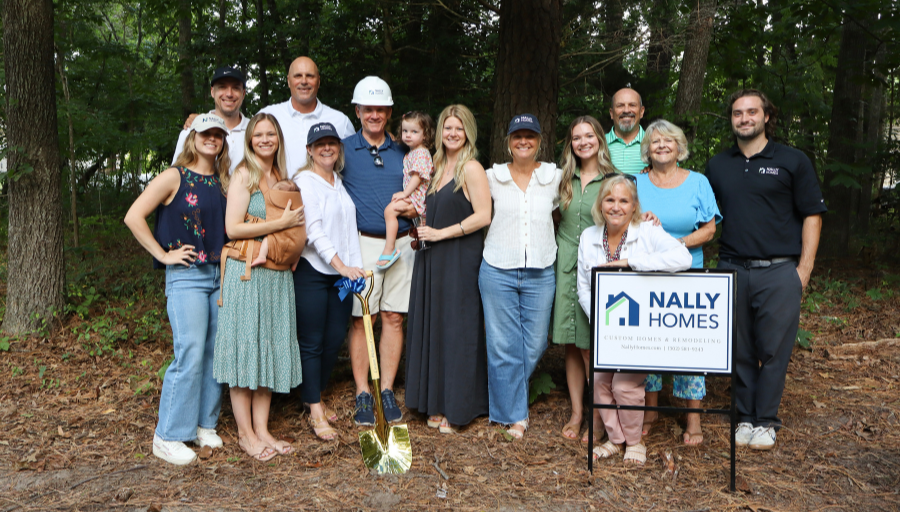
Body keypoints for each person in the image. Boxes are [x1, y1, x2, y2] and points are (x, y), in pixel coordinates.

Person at [706, 89, 825, 451]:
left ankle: (766, 420)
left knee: (774, 350)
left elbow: (812, 215)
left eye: (752, 112)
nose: (744, 118)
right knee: (739, 348)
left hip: (779, 271)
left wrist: (803, 271)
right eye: (737, 113)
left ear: (766, 116)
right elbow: (703, 214)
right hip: (732, 268)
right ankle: (744, 416)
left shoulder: (792, 160)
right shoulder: (718, 165)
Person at [124, 114, 231, 465]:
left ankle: (203, 424)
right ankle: (168, 435)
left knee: (214, 351)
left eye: (217, 134)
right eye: (205, 133)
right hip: (187, 276)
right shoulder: (175, 176)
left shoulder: (224, 180)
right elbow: (133, 216)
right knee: (190, 351)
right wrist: (163, 255)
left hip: (220, 274)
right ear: (192, 137)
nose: (211, 138)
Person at [576, 174, 692, 465]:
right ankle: (617, 440)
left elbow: (683, 259)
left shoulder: (648, 231)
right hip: (606, 328)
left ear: (634, 206)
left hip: (640, 330)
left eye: (623, 201)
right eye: (610, 199)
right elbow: (584, 288)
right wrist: (603, 324)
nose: (616, 207)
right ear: (600, 204)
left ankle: (635, 442)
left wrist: (631, 263)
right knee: (599, 381)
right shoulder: (589, 236)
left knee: (624, 385)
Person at [213, 113, 305, 461]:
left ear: (278, 139)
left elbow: (296, 227)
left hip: (276, 273)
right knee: (245, 349)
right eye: (258, 134)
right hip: (246, 273)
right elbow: (233, 228)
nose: (265, 139)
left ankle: (263, 429)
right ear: (250, 139)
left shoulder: (282, 176)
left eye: (271, 134)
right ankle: (245, 435)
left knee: (268, 347)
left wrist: (290, 244)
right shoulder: (244, 174)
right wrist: (278, 224)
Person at [404, 105, 492, 433]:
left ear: (468, 132)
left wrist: (441, 233)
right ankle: (435, 401)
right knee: (435, 326)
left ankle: (459, 407)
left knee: (458, 329)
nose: (453, 133)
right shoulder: (435, 166)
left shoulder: (471, 168)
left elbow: (483, 216)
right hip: (431, 257)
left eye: (459, 128)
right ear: (439, 132)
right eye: (447, 127)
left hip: (460, 257)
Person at [634, 119, 721, 445]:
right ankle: (651, 410)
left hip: (688, 275)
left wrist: (675, 245)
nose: (661, 146)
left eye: (667, 141)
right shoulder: (636, 183)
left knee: (689, 346)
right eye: (655, 141)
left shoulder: (698, 182)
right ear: (648, 149)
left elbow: (709, 229)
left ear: (679, 146)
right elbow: (623, 222)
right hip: (647, 274)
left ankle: (693, 418)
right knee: (648, 342)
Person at [480, 114, 562, 440]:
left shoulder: (554, 177)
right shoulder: (492, 177)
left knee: (536, 342)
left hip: (541, 270)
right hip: (497, 268)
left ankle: (502, 395)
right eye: (517, 136)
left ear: (539, 141)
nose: (523, 141)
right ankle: (515, 416)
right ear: (509, 141)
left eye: (530, 136)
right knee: (502, 344)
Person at [341, 76, 416, 426]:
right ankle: (363, 392)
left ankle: (386, 389)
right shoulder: (342, 150)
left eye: (381, 109)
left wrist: (415, 209)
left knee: (393, 317)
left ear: (389, 113)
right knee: (363, 318)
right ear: (357, 111)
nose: (374, 115)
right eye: (368, 109)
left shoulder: (405, 151)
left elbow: (423, 192)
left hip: (402, 243)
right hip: (363, 244)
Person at [293, 122, 365, 441]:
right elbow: (314, 231)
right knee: (312, 341)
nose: (326, 148)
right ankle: (315, 409)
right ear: (309, 150)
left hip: (341, 276)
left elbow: (349, 231)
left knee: (335, 337)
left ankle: (314, 393)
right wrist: (341, 265)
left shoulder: (339, 182)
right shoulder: (304, 182)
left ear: (338, 148)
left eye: (331, 143)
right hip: (313, 272)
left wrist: (355, 269)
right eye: (319, 144)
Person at [553, 115, 619, 444]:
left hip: (598, 265)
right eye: (577, 137)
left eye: (589, 136)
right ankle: (577, 412)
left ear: (599, 140)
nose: (583, 142)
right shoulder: (563, 178)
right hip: (566, 262)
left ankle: (599, 414)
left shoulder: (613, 178)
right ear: (571, 144)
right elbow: (553, 216)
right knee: (571, 341)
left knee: (592, 343)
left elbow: (626, 217)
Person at [258, 57, 355, 177]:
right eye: (298, 76)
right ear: (288, 81)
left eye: (310, 76)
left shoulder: (340, 121)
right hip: (277, 189)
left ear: (318, 81)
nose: (304, 81)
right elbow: (251, 160)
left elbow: (352, 167)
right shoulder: (268, 116)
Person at [377, 111, 435, 270]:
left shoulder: (420, 153)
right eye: (405, 131)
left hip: (417, 196)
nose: (408, 135)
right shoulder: (413, 152)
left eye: (414, 132)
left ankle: (390, 249)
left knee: (389, 211)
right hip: (415, 195)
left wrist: (404, 194)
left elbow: (417, 177)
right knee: (420, 229)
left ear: (425, 135)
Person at [173, 67, 249, 172]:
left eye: (236, 88)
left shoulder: (257, 132)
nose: (229, 94)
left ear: (243, 93)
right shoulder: (193, 130)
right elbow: (176, 174)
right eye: (222, 87)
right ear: (212, 92)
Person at [250, 179, 303, 270]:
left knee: (268, 239)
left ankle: (261, 256)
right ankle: (294, 264)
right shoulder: (298, 204)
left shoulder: (279, 203)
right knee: (298, 246)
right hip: (298, 245)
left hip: (280, 241)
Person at [606, 88, 646, 175]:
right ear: (611, 113)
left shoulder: (656, 143)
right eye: (620, 105)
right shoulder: (597, 143)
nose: (626, 110)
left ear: (641, 111)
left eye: (632, 105)